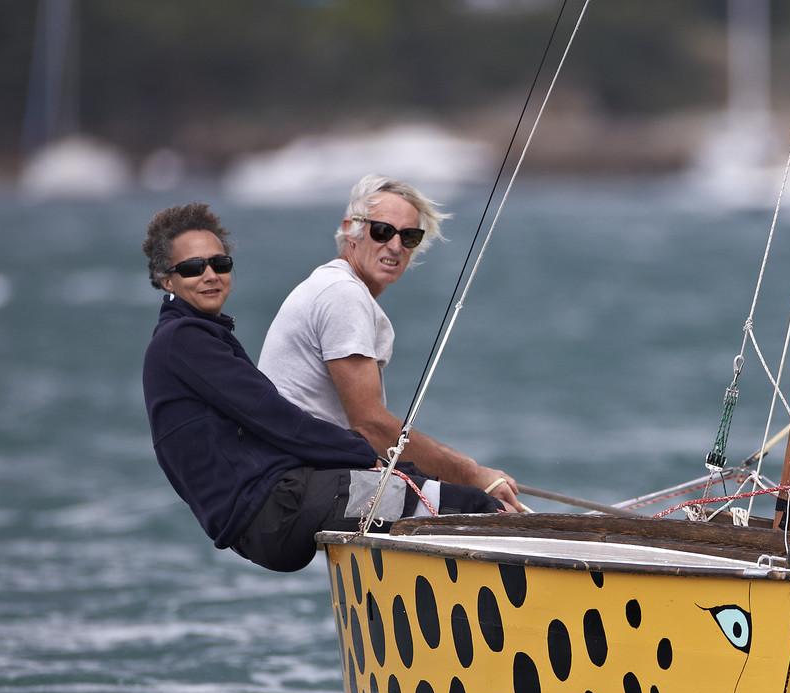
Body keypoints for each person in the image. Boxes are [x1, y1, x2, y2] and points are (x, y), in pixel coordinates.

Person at [140, 202, 505, 573]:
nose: (210, 275)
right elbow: (276, 418)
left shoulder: (194, 338)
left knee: (418, 486)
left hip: (270, 509)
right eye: (192, 267)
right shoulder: (184, 341)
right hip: (275, 508)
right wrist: (366, 454)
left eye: (220, 264)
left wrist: (390, 468)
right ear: (166, 279)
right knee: (471, 506)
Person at [258, 174, 523, 512]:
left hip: (303, 479)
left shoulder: (335, 286)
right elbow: (370, 426)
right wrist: (473, 475)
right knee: (490, 508)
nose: (395, 247)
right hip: (296, 487)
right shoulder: (342, 294)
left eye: (408, 236)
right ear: (351, 229)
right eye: (382, 231)